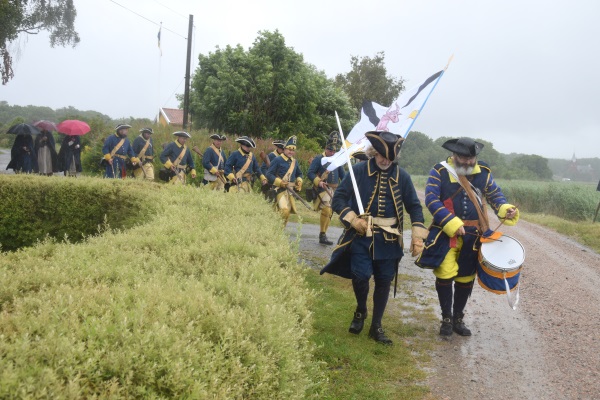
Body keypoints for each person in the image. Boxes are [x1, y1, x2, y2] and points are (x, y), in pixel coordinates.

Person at [320, 131, 428, 345]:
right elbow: (340, 198)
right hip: (361, 236)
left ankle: (376, 326)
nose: (385, 161)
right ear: (374, 152)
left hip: (389, 240)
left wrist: (418, 236)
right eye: (381, 155)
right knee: (360, 276)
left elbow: (414, 207)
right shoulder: (359, 170)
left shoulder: (402, 177)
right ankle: (361, 310)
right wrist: (353, 220)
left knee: (384, 282)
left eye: (389, 157)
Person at [416, 137, 519, 337]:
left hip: (473, 235)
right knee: (445, 273)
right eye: (463, 157)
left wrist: (505, 208)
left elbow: (495, 194)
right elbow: (431, 199)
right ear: (454, 155)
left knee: (465, 277)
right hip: (446, 234)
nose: (467, 162)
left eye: (471, 158)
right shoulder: (440, 171)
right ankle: (446, 318)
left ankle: (458, 318)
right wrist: (450, 222)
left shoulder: (484, 174)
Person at [307, 131, 345, 245]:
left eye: (334, 151)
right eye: (330, 150)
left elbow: (343, 176)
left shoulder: (337, 159)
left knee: (330, 212)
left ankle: (324, 234)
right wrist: (318, 182)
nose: (332, 152)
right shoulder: (319, 159)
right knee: (327, 209)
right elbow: (310, 173)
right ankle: (322, 235)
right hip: (322, 189)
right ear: (326, 148)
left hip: (334, 190)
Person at [266, 136, 303, 226]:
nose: (291, 152)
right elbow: (269, 174)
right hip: (279, 189)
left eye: (293, 150)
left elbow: (299, 174)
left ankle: (280, 232)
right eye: (289, 149)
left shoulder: (294, 162)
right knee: (284, 210)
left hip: (290, 191)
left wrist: (299, 181)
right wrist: (280, 182)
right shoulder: (278, 159)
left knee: (287, 214)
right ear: (284, 149)